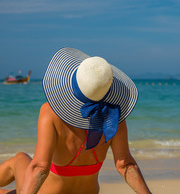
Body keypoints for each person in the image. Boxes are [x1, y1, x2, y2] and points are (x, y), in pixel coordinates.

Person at [0, 47, 152, 194]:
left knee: (20, 159)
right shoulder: (113, 116)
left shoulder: (50, 112)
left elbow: (40, 168)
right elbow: (125, 164)